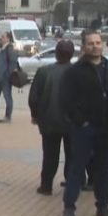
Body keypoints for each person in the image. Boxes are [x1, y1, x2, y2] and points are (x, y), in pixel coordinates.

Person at [60, 30, 108, 216]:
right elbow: (66, 100)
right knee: (77, 168)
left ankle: (103, 206)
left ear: (103, 45)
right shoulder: (74, 71)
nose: (95, 46)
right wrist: (81, 121)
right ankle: (69, 207)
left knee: (103, 169)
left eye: (98, 43)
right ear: (84, 47)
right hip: (83, 129)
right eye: (91, 43)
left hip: (106, 128)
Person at [28, 40, 75, 195]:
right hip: (73, 122)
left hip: (49, 120)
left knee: (50, 155)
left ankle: (46, 185)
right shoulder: (78, 71)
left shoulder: (44, 71)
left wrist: (35, 115)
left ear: (56, 53)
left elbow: (33, 97)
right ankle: (71, 183)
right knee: (72, 154)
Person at [0, 31, 17, 123]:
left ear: (8, 39)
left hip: (4, 78)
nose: (0, 38)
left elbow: (13, 62)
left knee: (7, 97)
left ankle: (8, 116)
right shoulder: (0, 48)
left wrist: (7, 74)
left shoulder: (9, 48)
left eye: (3, 37)